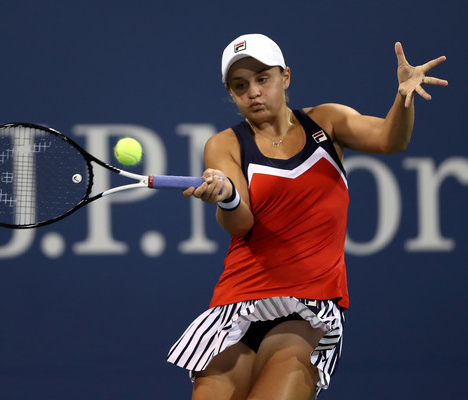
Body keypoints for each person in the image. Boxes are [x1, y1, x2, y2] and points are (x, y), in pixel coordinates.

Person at [167, 33, 447, 400]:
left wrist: (403, 96)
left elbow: (389, 140)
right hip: (237, 304)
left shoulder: (327, 122)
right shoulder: (224, 144)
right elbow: (241, 223)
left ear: (285, 77)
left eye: (262, 79)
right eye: (240, 86)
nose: (253, 92)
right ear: (231, 93)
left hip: (309, 308)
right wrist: (227, 198)